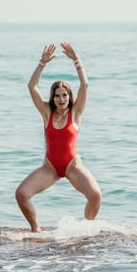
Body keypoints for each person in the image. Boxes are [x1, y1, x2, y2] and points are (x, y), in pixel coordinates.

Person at [15, 42, 102, 232]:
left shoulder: (76, 112)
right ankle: (36, 231)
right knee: (21, 194)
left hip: (73, 166)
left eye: (64, 95)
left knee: (95, 196)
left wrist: (77, 60)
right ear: (52, 98)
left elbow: (85, 85)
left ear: (69, 97)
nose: (61, 99)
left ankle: (85, 231)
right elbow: (31, 86)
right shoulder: (46, 113)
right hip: (50, 167)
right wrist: (42, 63)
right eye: (57, 96)